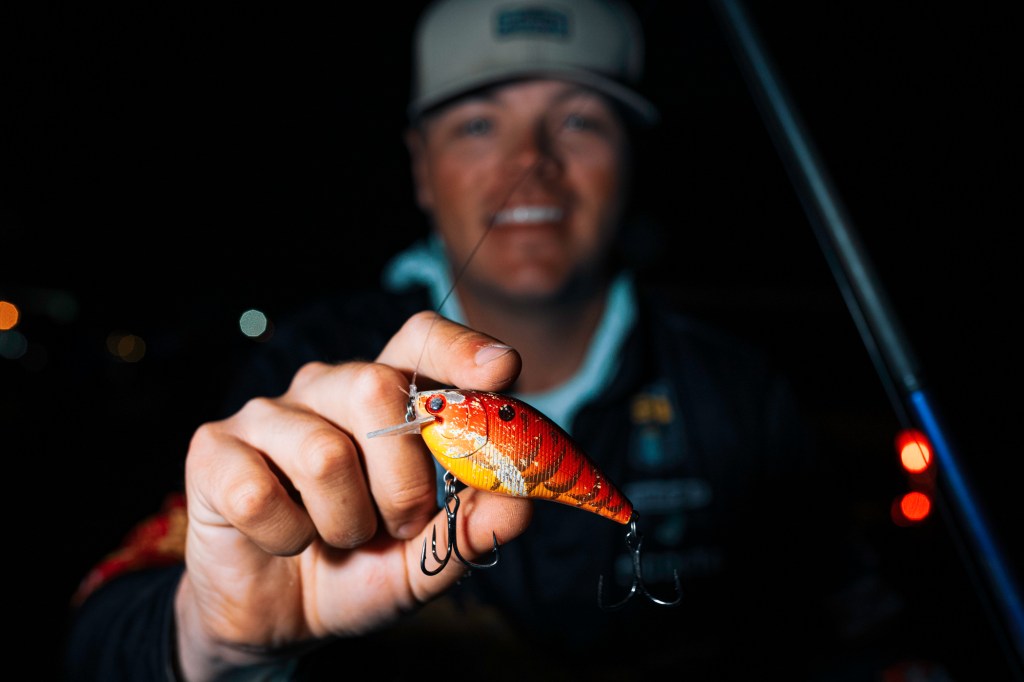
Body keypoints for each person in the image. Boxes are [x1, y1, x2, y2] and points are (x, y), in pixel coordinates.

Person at [63, 0, 888, 679]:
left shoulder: (742, 392)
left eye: (578, 120)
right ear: (420, 166)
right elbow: (94, 632)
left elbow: (857, 628)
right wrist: (214, 641)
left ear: (632, 159)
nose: (530, 162)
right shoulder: (300, 364)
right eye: (479, 126)